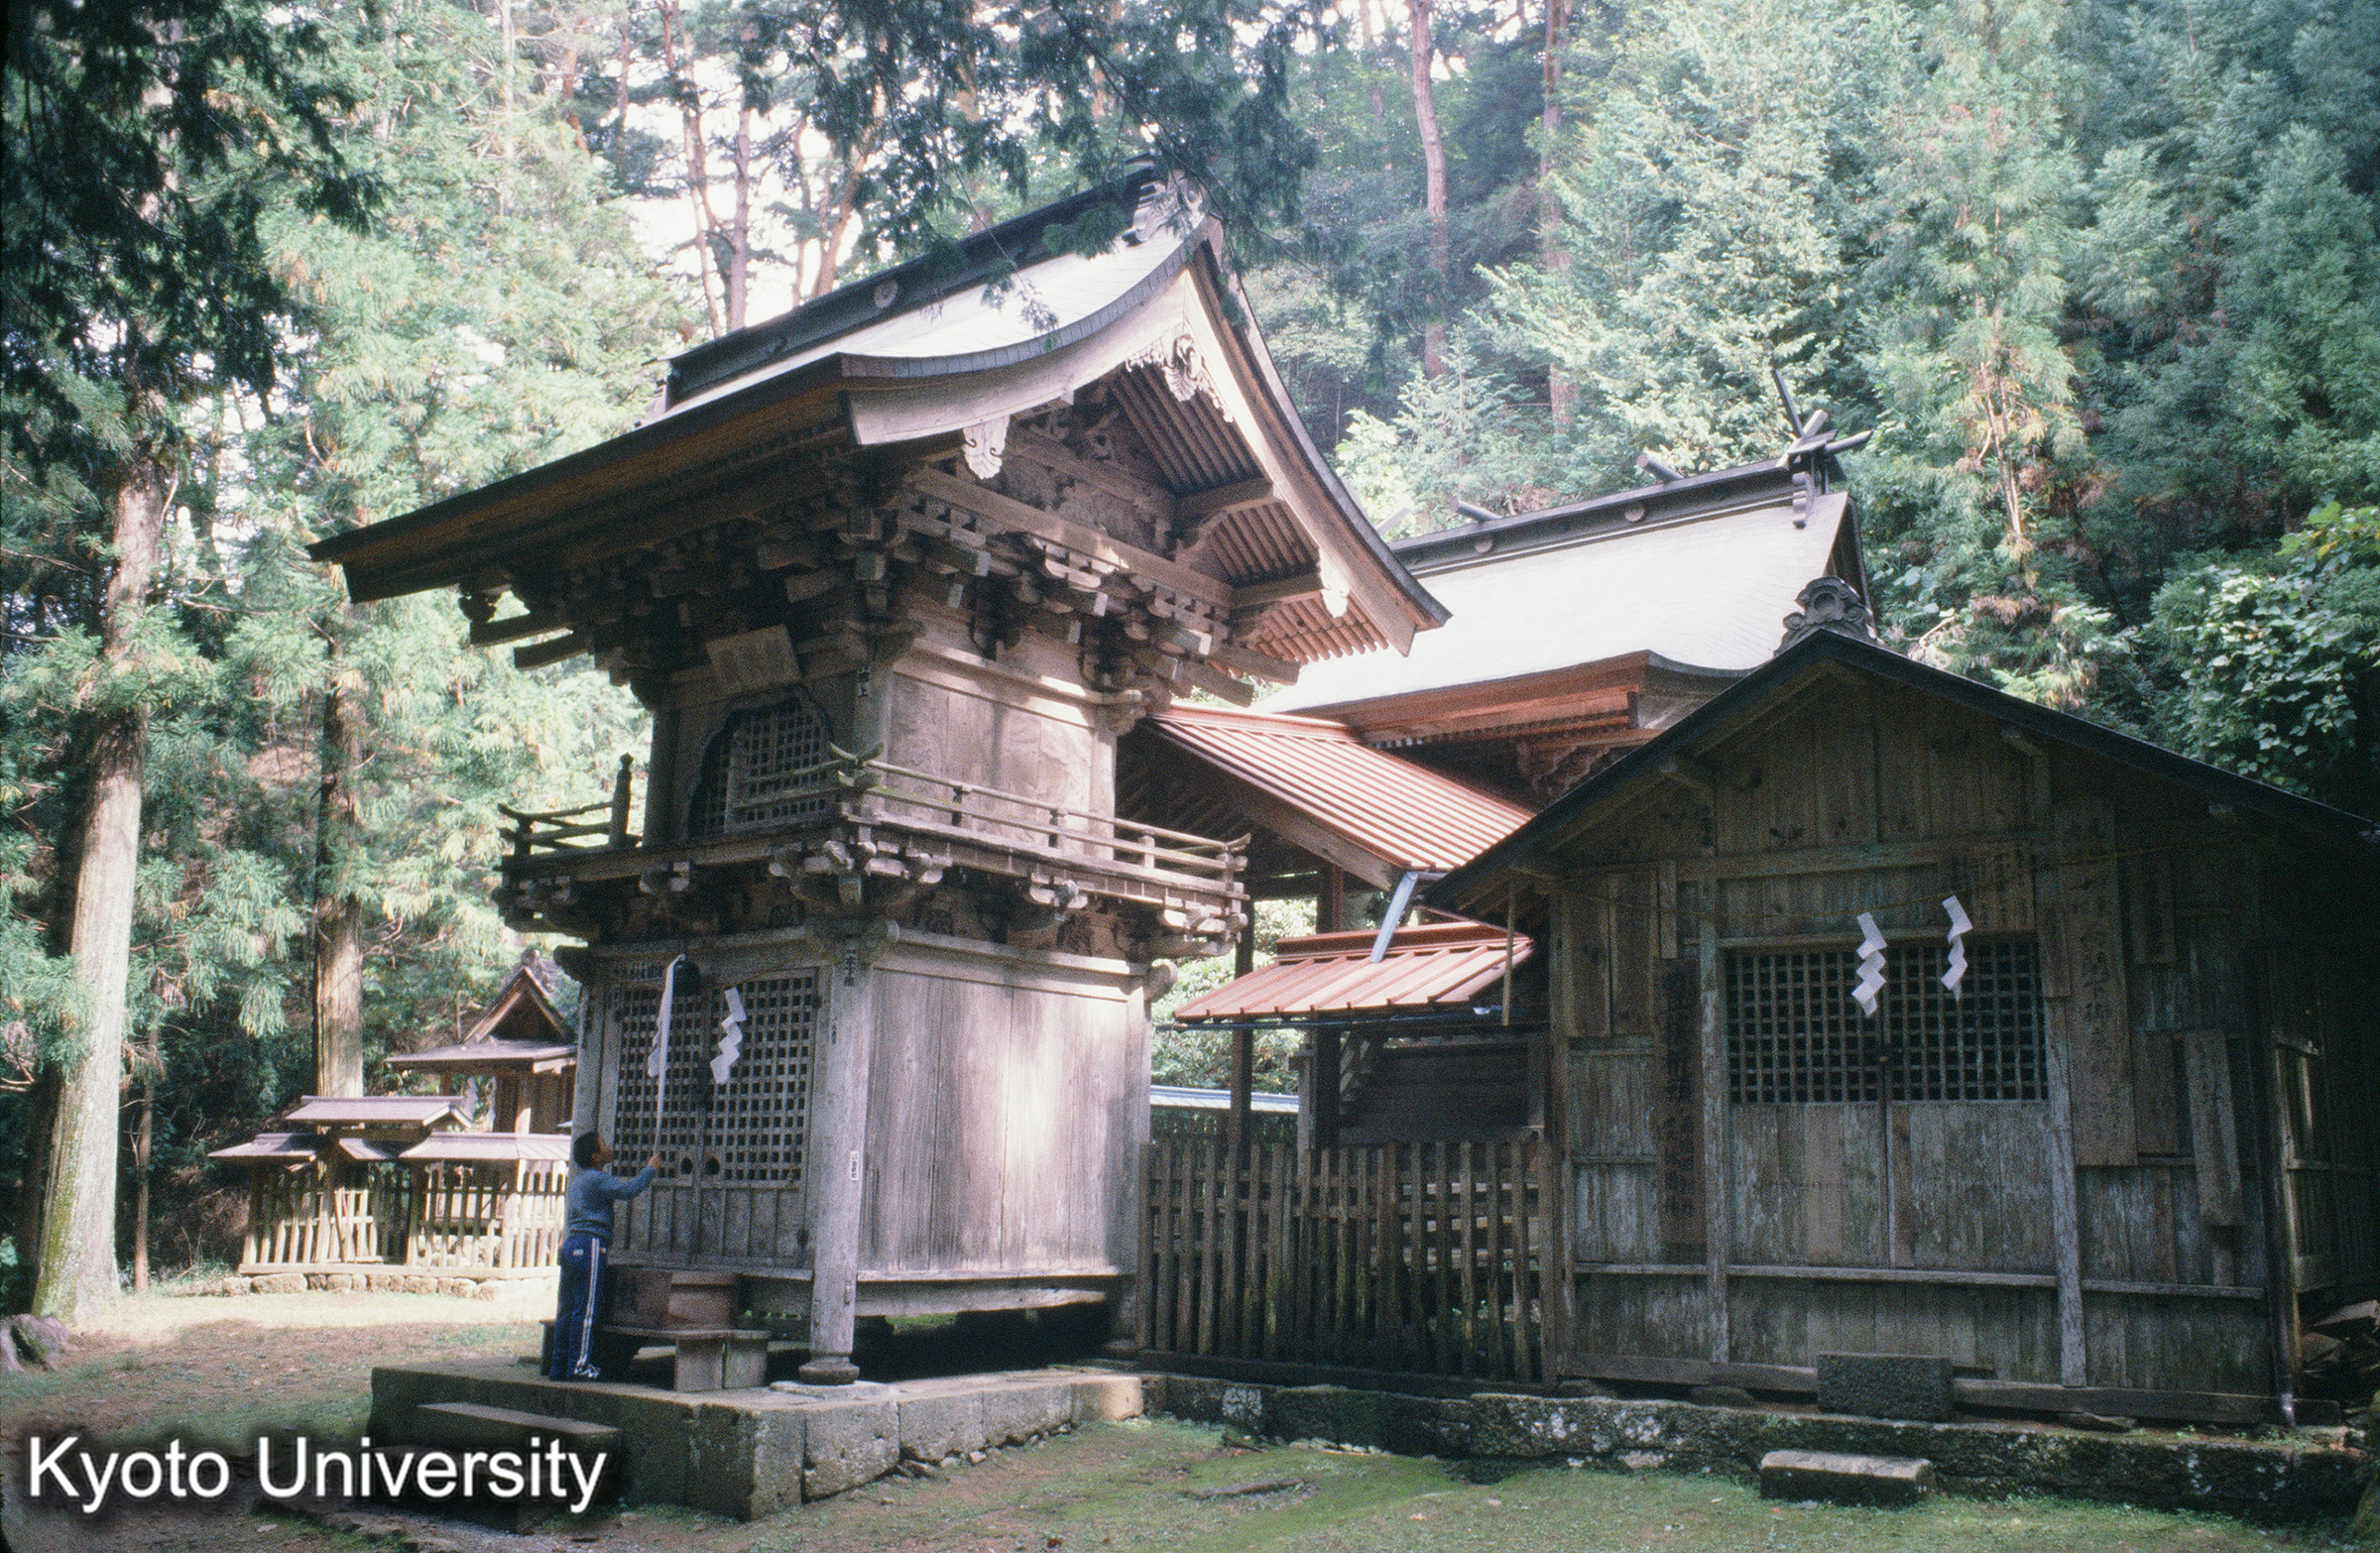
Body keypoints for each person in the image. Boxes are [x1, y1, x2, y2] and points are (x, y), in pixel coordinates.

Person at [546, 1132, 660, 1380]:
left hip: (571, 1245)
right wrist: (650, 1169)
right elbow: (629, 1190)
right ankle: (580, 1367)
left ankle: (559, 1366)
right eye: (604, 1144)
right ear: (596, 1156)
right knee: (586, 1311)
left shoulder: (578, 1181)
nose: (610, 1146)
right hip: (590, 1246)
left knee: (566, 1309)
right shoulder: (597, 1179)